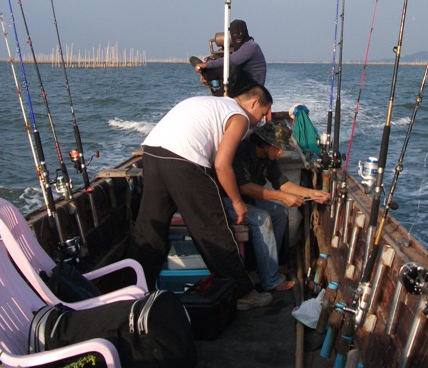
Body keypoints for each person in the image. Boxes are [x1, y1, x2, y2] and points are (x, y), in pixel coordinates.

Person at [128, 84, 274, 311]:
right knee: (213, 228)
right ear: (253, 103)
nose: (260, 121)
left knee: (149, 229)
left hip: (153, 152)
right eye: (263, 114)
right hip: (185, 159)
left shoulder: (213, 103)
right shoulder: (240, 117)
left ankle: (134, 292)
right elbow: (222, 165)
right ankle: (243, 293)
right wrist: (237, 203)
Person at [223, 121, 330, 292]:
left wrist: (311, 193)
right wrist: (283, 197)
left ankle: (271, 264)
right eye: (277, 148)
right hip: (226, 200)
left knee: (280, 212)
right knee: (262, 219)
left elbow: (282, 184)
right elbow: (244, 187)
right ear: (264, 144)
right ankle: (271, 280)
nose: (280, 153)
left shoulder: (269, 158)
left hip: (247, 200)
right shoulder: (240, 152)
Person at [194, 19, 266, 96]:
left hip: (253, 87)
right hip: (243, 84)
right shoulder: (238, 48)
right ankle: (214, 88)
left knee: (233, 69)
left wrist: (206, 65)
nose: (238, 37)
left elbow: (231, 61)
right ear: (231, 35)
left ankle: (207, 75)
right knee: (227, 72)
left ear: (245, 33)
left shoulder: (251, 46)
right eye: (235, 34)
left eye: (240, 33)